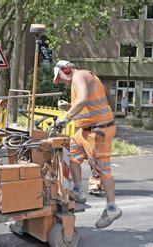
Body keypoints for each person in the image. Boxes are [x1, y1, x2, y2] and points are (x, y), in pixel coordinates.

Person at [53, 60, 120, 229]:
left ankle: (112, 208)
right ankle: (78, 190)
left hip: (98, 131)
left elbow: (82, 100)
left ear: (66, 69)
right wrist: (69, 106)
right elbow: (88, 103)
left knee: (102, 170)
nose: (61, 81)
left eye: (60, 77)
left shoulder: (79, 76)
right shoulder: (83, 77)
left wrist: (66, 117)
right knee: (72, 155)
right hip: (86, 131)